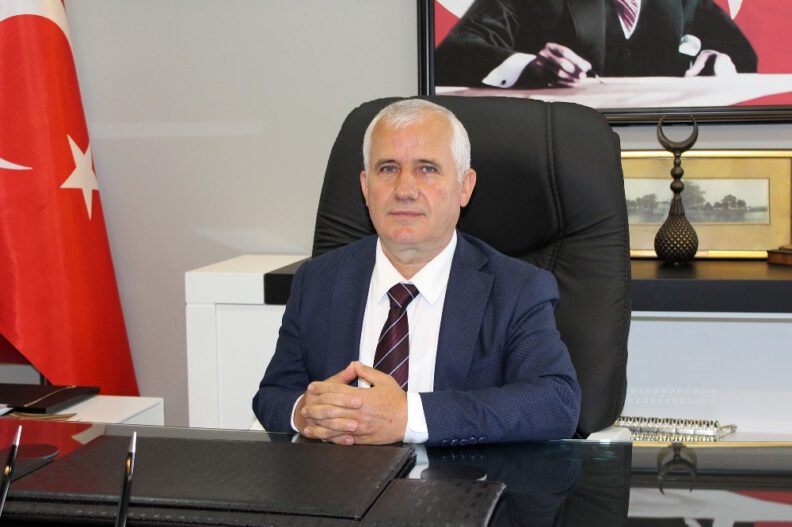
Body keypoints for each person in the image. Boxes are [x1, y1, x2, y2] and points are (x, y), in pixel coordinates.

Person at [252, 99, 580, 446]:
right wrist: (305, 412)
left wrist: (408, 416)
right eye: (388, 168)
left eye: (426, 169)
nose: (404, 190)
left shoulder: (517, 289)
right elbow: (273, 395)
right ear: (365, 186)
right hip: (342, 477)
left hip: (463, 478)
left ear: (465, 186)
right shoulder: (318, 281)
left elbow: (556, 402)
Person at [435, 0, 757, 88]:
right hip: (559, 154)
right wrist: (528, 66)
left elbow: (743, 54)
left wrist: (718, 58)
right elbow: (451, 54)